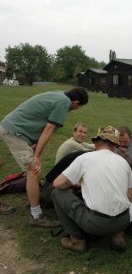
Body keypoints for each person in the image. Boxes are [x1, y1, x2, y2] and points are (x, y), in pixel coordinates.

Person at [0, 87, 88, 228]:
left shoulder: (59, 95)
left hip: (11, 127)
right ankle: (36, 216)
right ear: (76, 103)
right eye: (79, 107)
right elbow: (48, 130)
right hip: (14, 131)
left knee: (34, 171)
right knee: (34, 170)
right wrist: (37, 156)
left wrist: (34, 151)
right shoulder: (64, 103)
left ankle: (33, 199)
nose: (77, 109)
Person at [53, 126, 132, 253]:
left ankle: (77, 240)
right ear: (114, 145)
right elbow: (129, 197)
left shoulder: (84, 158)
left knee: (57, 193)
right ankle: (117, 235)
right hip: (124, 221)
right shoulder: (123, 162)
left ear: (96, 143)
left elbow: (57, 183)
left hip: (95, 224)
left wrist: (73, 184)